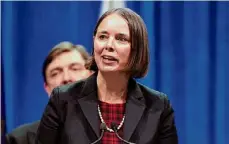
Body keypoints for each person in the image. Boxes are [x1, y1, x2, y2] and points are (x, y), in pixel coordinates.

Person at [35, 8, 178, 144]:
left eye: (121, 39)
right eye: (102, 37)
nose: (109, 45)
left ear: (137, 49)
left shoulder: (158, 106)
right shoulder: (63, 100)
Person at [5, 41, 93, 144]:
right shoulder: (20, 140)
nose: (66, 78)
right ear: (47, 88)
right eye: (55, 73)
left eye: (75, 68)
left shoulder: (112, 131)